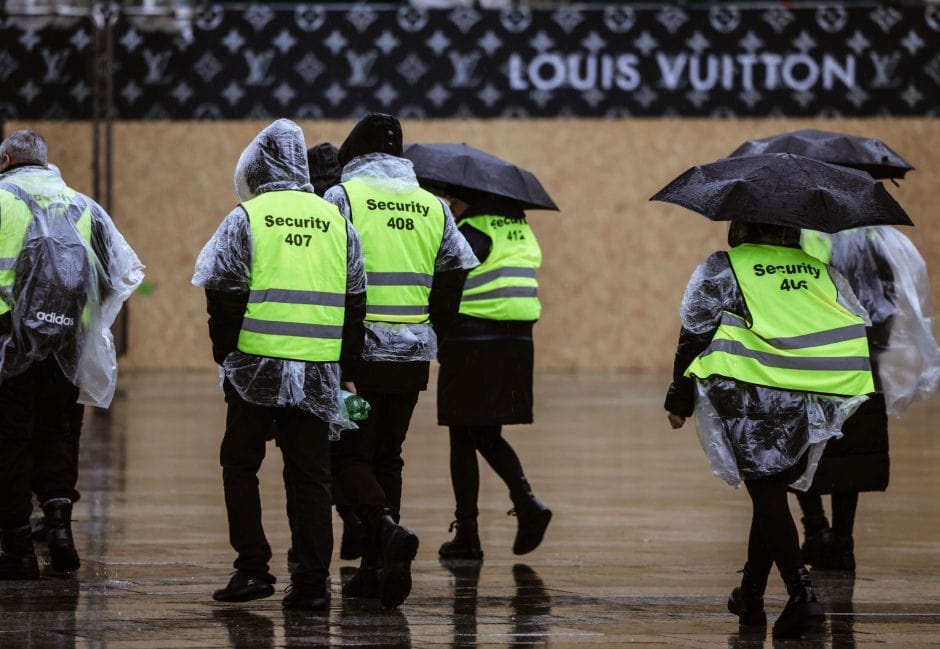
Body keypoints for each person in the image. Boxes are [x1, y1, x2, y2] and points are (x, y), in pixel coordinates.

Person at [664, 221, 875, 638]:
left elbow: (695, 329)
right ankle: (751, 596)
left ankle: (802, 596)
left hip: (747, 391)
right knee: (772, 488)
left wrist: (679, 395)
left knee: (765, 489)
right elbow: (854, 316)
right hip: (807, 391)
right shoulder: (816, 268)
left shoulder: (726, 267)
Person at [192, 119, 366, 611]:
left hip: (256, 368)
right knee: (310, 475)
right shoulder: (335, 219)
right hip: (316, 370)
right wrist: (343, 369)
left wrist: (227, 357)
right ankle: (311, 585)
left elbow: (221, 291)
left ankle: (252, 569)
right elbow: (356, 301)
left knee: (240, 464)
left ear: (258, 165)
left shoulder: (248, 216)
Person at [324, 113, 478, 608]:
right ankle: (374, 569)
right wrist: (435, 325)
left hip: (357, 355)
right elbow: (456, 268)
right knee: (389, 455)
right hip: (411, 354)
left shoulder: (343, 199)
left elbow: (329, 272)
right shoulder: (432, 205)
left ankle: (387, 533)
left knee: (347, 457)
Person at [0, 129, 143, 579]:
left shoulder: (2, 198)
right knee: (59, 434)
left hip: (6, 342)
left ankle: (19, 548)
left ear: (6, 162)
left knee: (10, 440)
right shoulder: (82, 204)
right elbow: (119, 273)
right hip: (68, 344)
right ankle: (60, 533)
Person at [795, 226, 940, 570]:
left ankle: (816, 529)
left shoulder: (801, 231)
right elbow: (888, 295)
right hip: (860, 355)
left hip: (809, 355)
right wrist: (876, 343)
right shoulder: (875, 236)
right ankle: (842, 540)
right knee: (852, 448)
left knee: (803, 440)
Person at [434, 188, 551, 561]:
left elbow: (448, 285)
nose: (450, 207)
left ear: (469, 198)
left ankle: (514, 508)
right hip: (515, 339)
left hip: (473, 339)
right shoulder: (517, 227)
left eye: (453, 201)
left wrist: (436, 331)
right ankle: (474, 529)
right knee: (478, 433)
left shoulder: (472, 230)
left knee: (468, 432)